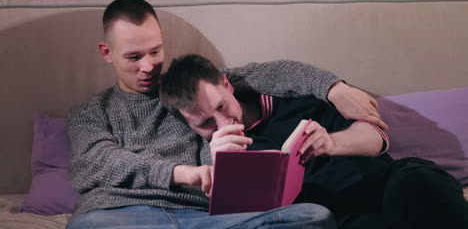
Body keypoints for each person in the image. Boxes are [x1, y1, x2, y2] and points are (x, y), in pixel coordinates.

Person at [67, 0, 386, 229]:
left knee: (314, 217)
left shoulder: (191, 89)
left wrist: (334, 88)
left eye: (155, 51)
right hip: (121, 216)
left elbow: (275, 73)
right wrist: (182, 173)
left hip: (205, 219)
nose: (149, 66)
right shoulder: (91, 111)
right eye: (134, 57)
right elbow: (93, 163)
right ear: (107, 53)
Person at [159, 54, 468, 229]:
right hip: (339, 216)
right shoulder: (208, 153)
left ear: (227, 85)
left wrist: (331, 142)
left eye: (222, 107)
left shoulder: (293, 94)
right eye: (205, 124)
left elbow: (377, 137)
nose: (224, 123)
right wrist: (225, 170)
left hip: (389, 181)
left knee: (422, 186)